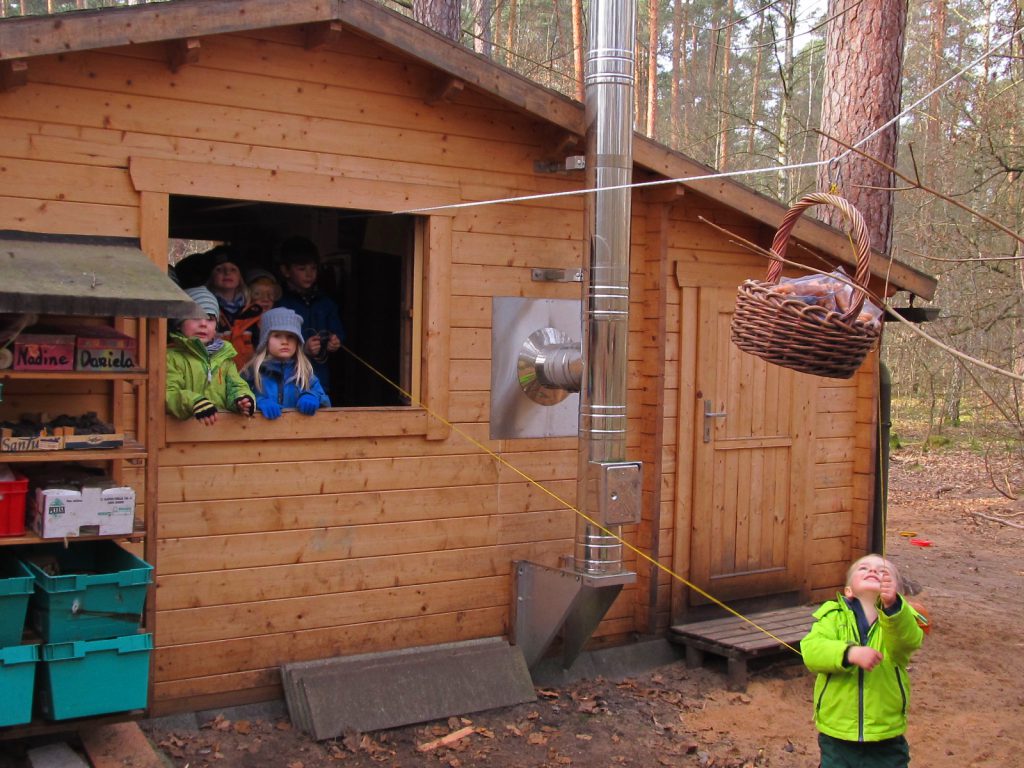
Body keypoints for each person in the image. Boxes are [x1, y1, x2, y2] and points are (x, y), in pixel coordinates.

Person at [801, 554, 925, 768]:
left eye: (883, 571)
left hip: (885, 736)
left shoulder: (899, 621)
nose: (873, 571)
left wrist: (893, 608)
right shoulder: (833, 617)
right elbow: (811, 651)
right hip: (837, 734)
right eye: (863, 568)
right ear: (848, 590)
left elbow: (909, 641)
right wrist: (849, 653)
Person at [166, 286, 255, 426]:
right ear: (179, 324)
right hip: (181, 436)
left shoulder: (224, 357)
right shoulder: (170, 357)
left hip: (219, 434)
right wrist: (194, 401)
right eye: (195, 317)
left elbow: (236, 385)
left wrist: (242, 399)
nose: (203, 324)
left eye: (210, 318)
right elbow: (169, 393)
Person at [276, 236, 343, 394]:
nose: (309, 274)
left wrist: (336, 340)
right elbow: (272, 343)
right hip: (289, 377)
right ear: (285, 270)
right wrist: (301, 349)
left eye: (313, 268)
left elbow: (337, 330)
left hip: (320, 374)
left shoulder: (325, 302)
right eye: (301, 269)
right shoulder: (280, 302)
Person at [242, 307, 330, 419]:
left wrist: (312, 396)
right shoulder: (252, 371)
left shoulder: (304, 372)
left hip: (298, 433)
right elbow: (237, 397)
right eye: (277, 336)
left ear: (298, 341)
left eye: (291, 336)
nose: (285, 342)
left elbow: (325, 400)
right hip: (259, 433)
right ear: (265, 340)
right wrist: (257, 401)